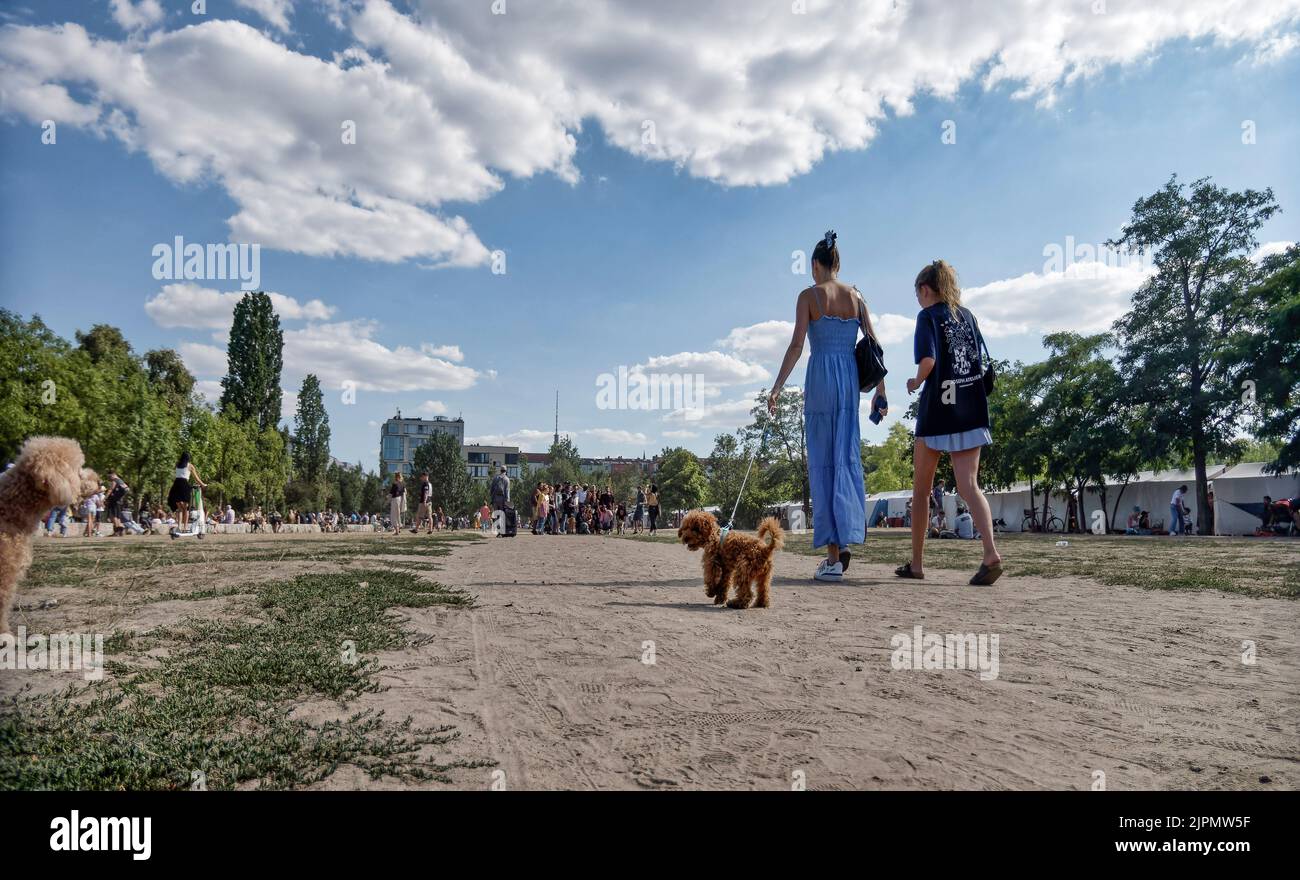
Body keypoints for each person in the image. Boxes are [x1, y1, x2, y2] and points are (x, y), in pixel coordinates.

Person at [768, 230, 885, 581]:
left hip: (820, 377)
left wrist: (776, 388)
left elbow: (795, 346)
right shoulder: (856, 296)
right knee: (845, 460)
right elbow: (874, 346)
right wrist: (881, 392)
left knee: (823, 463)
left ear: (817, 265)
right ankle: (844, 540)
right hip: (848, 381)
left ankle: (833, 559)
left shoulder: (808, 296)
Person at [900, 259, 1002, 585]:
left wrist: (916, 381)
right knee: (969, 485)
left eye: (918, 294)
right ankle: (990, 554)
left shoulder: (927, 316)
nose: (918, 301)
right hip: (971, 403)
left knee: (921, 490)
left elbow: (928, 361)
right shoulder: (967, 315)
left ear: (926, 290)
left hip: (939, 407)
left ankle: (916, 564)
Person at [167, 452, 206, 532]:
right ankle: (185, 527)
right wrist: (203, 485)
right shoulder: (190, 466)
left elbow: (178, 474)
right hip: (184, 486)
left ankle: (179, 527)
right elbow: (197, 479)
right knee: (186, 509)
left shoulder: (177, 464)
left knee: (179, 509)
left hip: (176, 485)